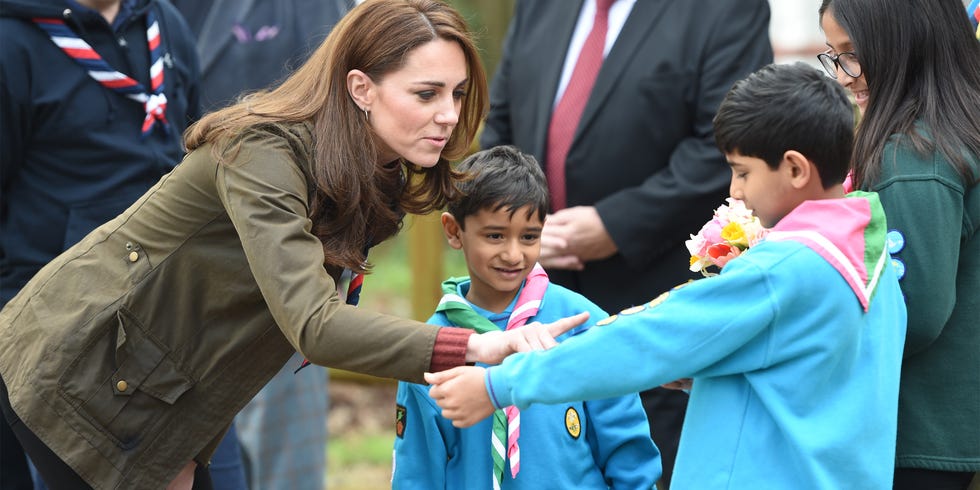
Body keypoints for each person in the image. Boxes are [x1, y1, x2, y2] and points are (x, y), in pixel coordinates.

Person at [0, 1, 587, 488]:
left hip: (175, 385)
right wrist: (478, 345)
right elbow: (318, 326)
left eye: (457, 95)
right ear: (361, 87)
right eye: (427, 93)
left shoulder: (373, 170)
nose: (448, 116)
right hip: (81, 366)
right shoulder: (264, 151)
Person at [427, 62, 909, 489]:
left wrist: (498, 386)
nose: (735, 191)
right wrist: (701, 371)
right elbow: (807, 381)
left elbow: (646, 337)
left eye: (742, 172)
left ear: (794, 169)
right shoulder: (873, 259)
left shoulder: (780, 270)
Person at [478, 1, 773, 484]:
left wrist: (614, 225)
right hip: (533, 303)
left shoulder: (725, 10)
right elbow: (502, 125)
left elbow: (722, 145)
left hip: (656, 314)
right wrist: (514, 226)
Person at [0, 0, 201, 488]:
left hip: (176, 321)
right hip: (62, 336)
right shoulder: (12, 42)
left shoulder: (164, 22)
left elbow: (193, 148)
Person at [391, 145, 661, 489]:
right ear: (454, 231)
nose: (513, 254)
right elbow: (418, 471)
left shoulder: (583, 323)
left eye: (529, 236)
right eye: (495, 236)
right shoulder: (434, 346)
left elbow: (628, 453)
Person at [170, 2, 352, 488]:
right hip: (190, 268)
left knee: (283, 464)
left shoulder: (322, 10)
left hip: (295, 266)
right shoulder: (167, 16)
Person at [818, 1, 980, 488]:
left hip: (920, 434)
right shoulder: (949, 130)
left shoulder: (913, 155)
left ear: (909, 43)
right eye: (833, 54)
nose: (844, 74)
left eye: (854, 53)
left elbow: (911, 312)